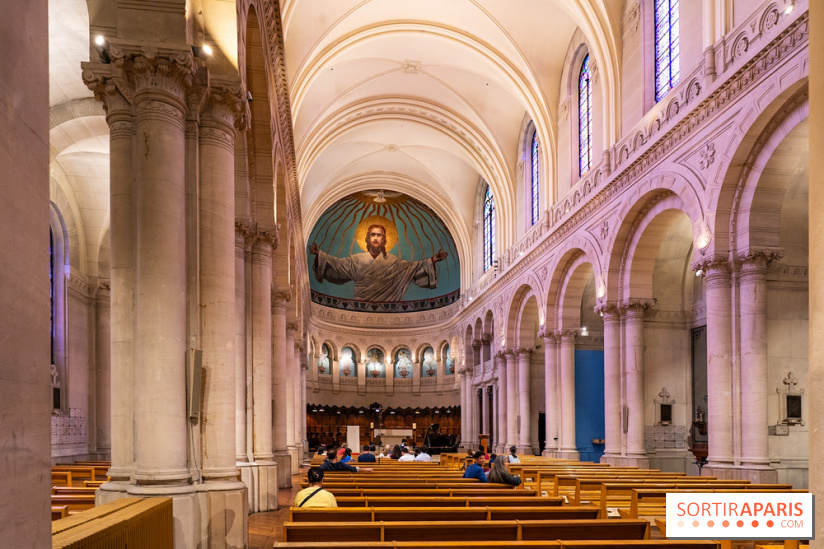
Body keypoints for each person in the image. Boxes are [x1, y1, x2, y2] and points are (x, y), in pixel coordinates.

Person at [309, 224, 448, 302]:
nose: (376, 238)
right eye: (372, 234)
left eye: (379, 235)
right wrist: (319, 255)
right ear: (367, 238)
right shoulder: (356, 259)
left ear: (384, 239)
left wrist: (433, 260)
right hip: (359, 308)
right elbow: (337, 266)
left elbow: (413, 268)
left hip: (391, 313)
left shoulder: (395, 262)